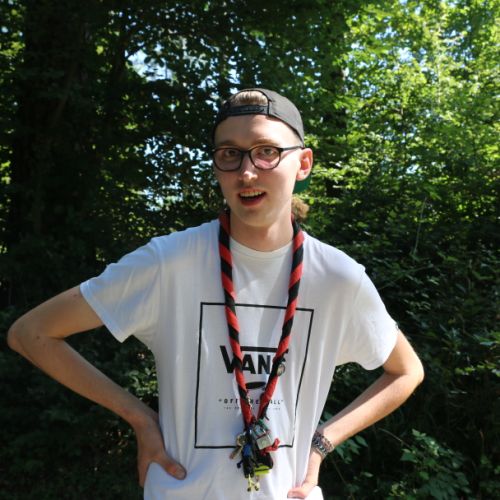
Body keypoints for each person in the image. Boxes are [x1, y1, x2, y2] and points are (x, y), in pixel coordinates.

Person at [8, 88, 424, 499]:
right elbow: (32, 333)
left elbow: (406, 371)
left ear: (303, 163)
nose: (247, 172)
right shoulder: (169, 262)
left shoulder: (337, 277)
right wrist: (139, 418)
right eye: (230, 154)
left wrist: (320, 444)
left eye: (266, 152)